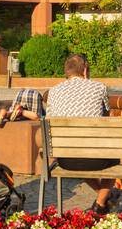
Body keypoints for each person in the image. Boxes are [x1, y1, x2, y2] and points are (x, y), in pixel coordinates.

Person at [45, 53, 117, 214]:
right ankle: (100, 202)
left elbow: (49, 120)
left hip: (66, 158)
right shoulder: (99, 87)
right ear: (84, 70)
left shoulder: (53, 92)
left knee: (78, 152)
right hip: (95, 157)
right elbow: (107, 116)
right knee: (115, 160)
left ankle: (102, 198)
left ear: (67, 72)